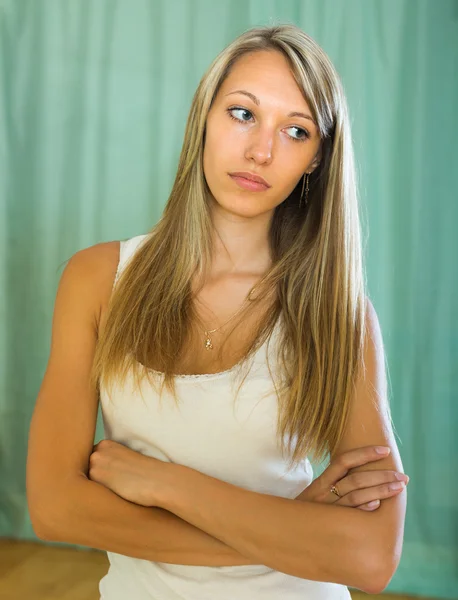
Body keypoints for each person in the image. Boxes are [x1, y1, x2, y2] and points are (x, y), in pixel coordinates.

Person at [26, 23, 408, 599]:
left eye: (296, 130)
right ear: (204, 116)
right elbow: (55, 509)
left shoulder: (341, 316)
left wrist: (168, 485)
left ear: (315, 160)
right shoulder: (96, 279)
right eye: (243, 113)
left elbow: (371, 557)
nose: (262, 150)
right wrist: (293, 528)